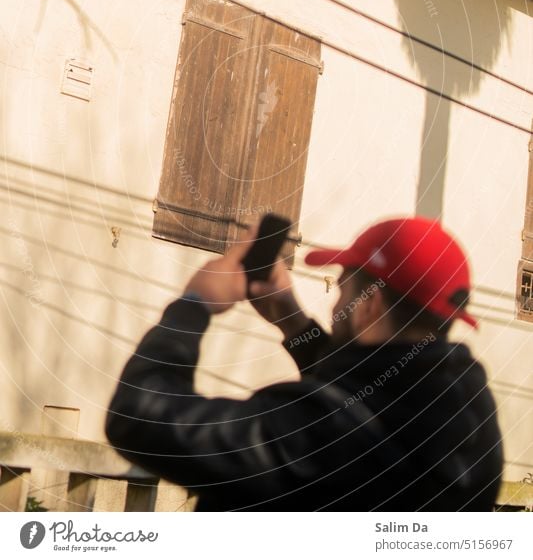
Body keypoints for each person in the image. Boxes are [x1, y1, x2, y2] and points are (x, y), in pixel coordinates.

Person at [105, 216, 503, 511]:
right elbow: (370, 396)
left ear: (369, 305)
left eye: (343, 291)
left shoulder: (323, 432)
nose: (335, 305)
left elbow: (140, 417)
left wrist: (194, 306)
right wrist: (293, 322)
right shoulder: (472, 413)